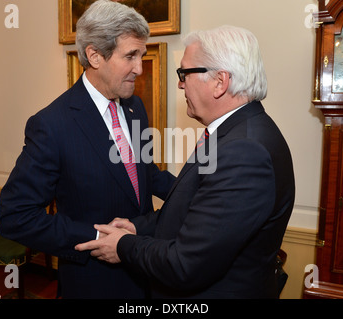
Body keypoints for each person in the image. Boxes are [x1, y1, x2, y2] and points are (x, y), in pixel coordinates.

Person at [76, 25, 296, 299]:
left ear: (220, 81)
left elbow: (186, 264)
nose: (180, 83)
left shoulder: (243, 151)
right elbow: (192, 211)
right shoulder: (234, 133)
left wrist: (124, 246)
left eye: (185, 73)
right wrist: (137, 227)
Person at [0, 0, 175, 299]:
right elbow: (15, 216)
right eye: (130, 55)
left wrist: (196, 190)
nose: (139, 69)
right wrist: (97, 239)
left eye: (141, 55)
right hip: (95, 282)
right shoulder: (52, 124)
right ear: (94, 56)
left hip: (146, 270)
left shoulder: (135, 108)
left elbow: (145, 173)